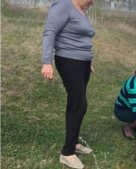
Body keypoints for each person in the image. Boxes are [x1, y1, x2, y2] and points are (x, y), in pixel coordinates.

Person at [41, 0, 96, 168]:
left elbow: (79, 36)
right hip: (69, 61)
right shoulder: (63, 6)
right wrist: (46, 62)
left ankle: (74, 143)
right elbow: (50, 32)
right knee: (79, 104)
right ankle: (67, 153)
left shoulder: (82, 10)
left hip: (82, 63)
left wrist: (87, 62)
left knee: (75, 103)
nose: (92, 2)